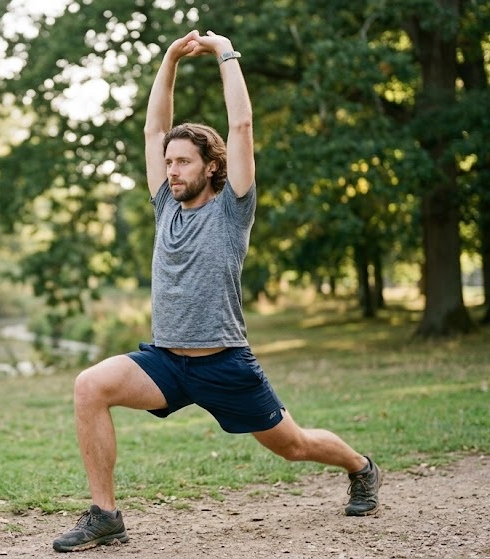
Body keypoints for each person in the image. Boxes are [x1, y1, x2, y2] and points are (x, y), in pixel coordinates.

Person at [52, 30, 381, 553]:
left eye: (183, 161)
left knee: (293, 446)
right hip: (167, 362)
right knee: (90, 386)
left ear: (210, 165)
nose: (171, 169)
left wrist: (225, 53)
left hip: (224, 363)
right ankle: (105, 516)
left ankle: (361, 467)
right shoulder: (165, 206)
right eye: (168, 161)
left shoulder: (233, 209)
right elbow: (154, 125)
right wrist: (169, 59)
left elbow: (241, 124)